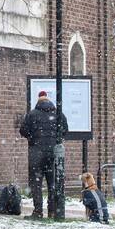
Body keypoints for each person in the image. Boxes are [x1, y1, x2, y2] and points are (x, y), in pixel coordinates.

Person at [19, 90, 68, 219]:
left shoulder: (32, 114)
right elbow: (65, 130)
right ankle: (52, 210)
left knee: (36, 183)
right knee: (52, 183)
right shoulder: (58, 114)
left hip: (37, 152)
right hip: (53, 154)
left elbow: (23, 130)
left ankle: (38, 211)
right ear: (49, 101)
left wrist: (33, 138)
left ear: (38, 101)